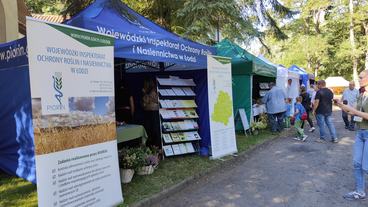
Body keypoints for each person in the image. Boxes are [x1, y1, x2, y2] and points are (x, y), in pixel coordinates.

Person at [335, 70, 368, 200]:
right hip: (360, 133)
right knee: (356, 164)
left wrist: (354, 111)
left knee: (366, 166)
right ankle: (360, 192)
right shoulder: (362, 94)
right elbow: (353, 112)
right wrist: (341, 105)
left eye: (361, 77)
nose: (358, 79)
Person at [142, 78, 161, 147]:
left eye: (145, 84)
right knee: (149, 130)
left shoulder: (154, 92)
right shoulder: (146, 93)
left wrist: (148, 97)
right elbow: (144, 104)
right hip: (148, 113)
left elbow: (157, 102)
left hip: (154, 113)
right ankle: (151, 145)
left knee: (154, 130)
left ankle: (156, 146)